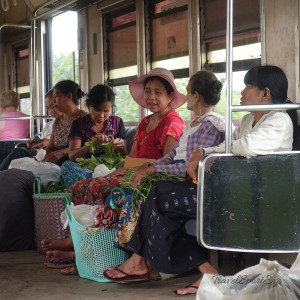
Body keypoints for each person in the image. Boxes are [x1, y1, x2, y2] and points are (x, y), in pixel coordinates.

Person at [103, 65, 294, 296]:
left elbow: (247, 145)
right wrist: (204, 151)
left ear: (265, 93)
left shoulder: (280, 121)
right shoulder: (246, 121)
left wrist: (207, 152)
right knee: (159, 197)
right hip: (233, 191)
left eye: (248, 86)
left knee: (160, 199)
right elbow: (227, 145)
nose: (242, 93)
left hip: (251, 199)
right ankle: (200, 270)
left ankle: (151, 263)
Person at [41, 67, 186, 255]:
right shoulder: (145, 121)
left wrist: (129, 168)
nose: (151, 97)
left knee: (95, 188)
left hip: (148, 178)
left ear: (170, 96)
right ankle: (78, 240)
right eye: (148, 91)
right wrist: (118, 169)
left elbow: (167, 163)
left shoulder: (172, 123)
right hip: (130, 171)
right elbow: (132, 156)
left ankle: (86, 249)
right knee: (78, 187)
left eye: (158, 92)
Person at [60, 84, 127, 187]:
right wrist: (91, 145)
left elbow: (125, 154)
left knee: (128, 165)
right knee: (66, 166)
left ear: (111, 108)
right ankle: (101, 183)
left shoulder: (117, 122)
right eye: (97, 110)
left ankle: (94, 184)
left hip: (111, 167)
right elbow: (72, 155)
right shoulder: (79, 124)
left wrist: (121, 146)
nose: (101, 115)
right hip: (86, 168)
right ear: (88, 106)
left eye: (106, 111)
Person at [0, 89, 62, 171]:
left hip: (3, 148)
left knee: (19, 151)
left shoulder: (2, 118)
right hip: (24, 147)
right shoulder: (28, 119)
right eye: (48, 108)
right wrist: (33, 144)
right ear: (17, 104)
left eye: (53, 106)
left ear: (1, 105)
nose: (50, 111)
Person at [42, 80, 87, 166]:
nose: (54, 102)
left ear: (69, 96)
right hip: (56, 165)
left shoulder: (85, 119)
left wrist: (62, 152)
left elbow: (86, 147)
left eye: (55, 97)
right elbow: (51, 147)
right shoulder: (57, 121)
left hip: (75, 165)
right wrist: (47, 159)